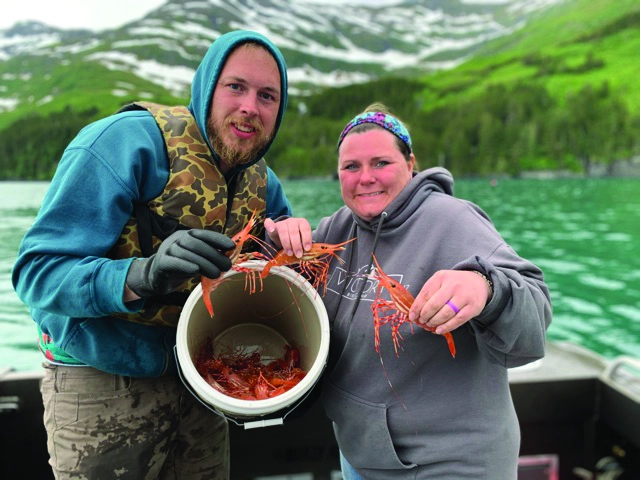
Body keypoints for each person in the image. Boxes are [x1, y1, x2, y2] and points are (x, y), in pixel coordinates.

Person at [12, 30, 292, 479]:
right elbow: (36, 273)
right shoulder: (123, 143)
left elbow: (286, 284)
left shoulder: (266, 185)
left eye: (268, 96)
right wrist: (142, 275)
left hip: (203, 383)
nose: (249, 107)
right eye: (235, 86)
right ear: (206, 87)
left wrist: (293, 252)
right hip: (100, 377)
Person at [265, 103, 552, 479]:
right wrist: (282, 241)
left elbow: (534, 323)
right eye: (351, 167)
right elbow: (282, 295)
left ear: (411, 162)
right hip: (361, 456)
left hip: (452, 466)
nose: (365, 177)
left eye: (381, 163)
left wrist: (486, 288)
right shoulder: (337, 228)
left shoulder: (454, 220)